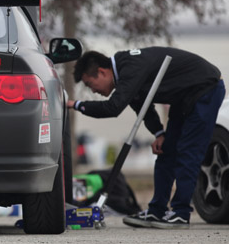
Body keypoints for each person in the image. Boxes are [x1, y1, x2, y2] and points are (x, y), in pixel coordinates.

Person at [68, 47, 225, 229]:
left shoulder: (131, 68)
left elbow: (113, 108)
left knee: (188, 152)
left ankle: (180, 213)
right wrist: (159, 132)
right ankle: (156, 211)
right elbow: (143, 106)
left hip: (205, 91)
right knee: (166, 152)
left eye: (90, 84)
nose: (93, 91)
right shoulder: (125, 75)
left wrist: (76, 105)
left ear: (102, 72)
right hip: (183, 98)